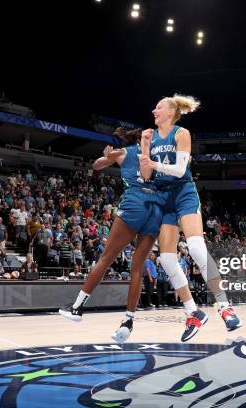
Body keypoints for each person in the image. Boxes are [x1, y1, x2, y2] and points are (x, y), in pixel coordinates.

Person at [139, 94, 242, 339]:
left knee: (196, 247)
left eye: (158, 107)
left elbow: (179, 170)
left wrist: (154, 164)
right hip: (163, 198)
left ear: (171, 112)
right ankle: (192, 312)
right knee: (166, 259)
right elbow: (144, 176)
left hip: (183, 193)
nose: (154, 110)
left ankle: (224, 306)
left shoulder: (181, 133)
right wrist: (144, 147)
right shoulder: (150, 137)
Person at [59, 128, 172, 343]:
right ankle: (128, 320)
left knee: (106, 258)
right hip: (156, 209)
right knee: (138, 266)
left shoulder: (124, 152)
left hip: (135, 203)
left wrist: (107, 155)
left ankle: (77, 308)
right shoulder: (158, 155)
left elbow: (96, 165)